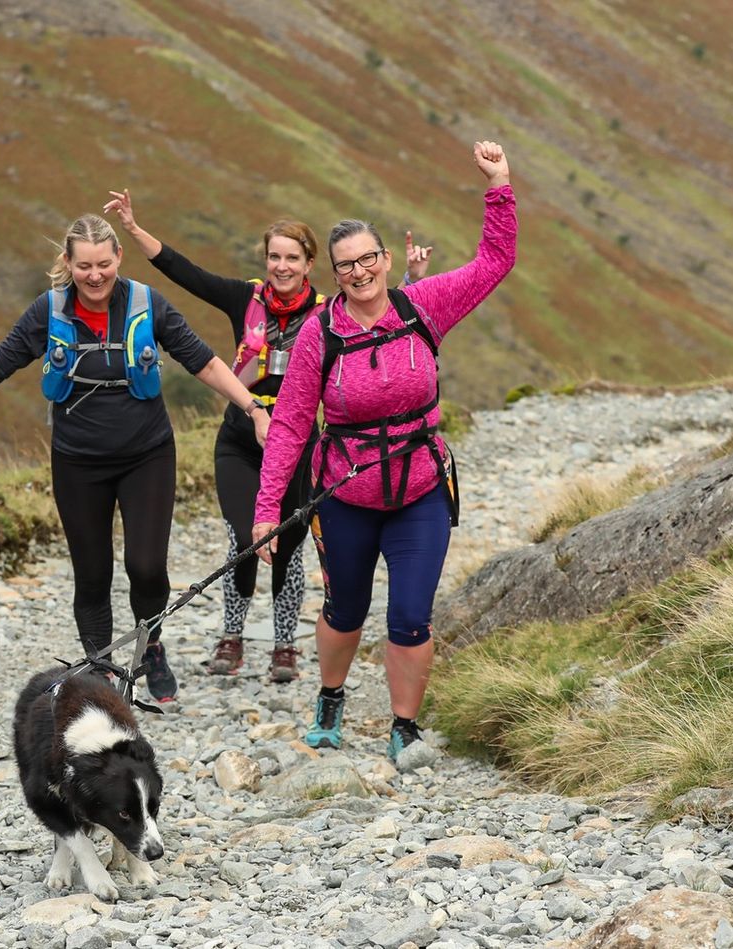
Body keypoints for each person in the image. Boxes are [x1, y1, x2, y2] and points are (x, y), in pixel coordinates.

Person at [0, 213, 269, 704]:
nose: (95, 275)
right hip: (77, 460)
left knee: (147, 566)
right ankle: (101, 666)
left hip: (147, 454)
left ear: (117, 258)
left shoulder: (149, 304)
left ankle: (150, 646)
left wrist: (253, 408)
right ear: (68, 263)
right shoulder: (50, 310)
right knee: (92, 572)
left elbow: (204, 362)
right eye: (84, 266)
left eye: (103, 264)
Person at [101, 191, 435, 683]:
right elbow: (184, 272)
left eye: (291, 258)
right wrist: (132, 228)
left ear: (309, 264)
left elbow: (386, 316)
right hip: (240, 434)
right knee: (244, 537)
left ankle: (284, 646)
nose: (281, 266)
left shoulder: (330, 312)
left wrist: (411, 278)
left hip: (302, 443)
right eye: (274, 256)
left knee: (292, 541)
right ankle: (231, 638)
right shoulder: (246, 298)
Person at [253, 141, 516, 761]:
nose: (359, 272)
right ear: (334, 274)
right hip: (344, 493)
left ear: (385, 258)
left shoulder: (423, 306)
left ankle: (404, 727)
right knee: (345, 608)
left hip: (420, 487)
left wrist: (498, 184)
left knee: (410, 614)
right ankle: (331, 696)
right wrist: (267, 512)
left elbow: (495, 261)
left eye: (367, 259)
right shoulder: (321, 334)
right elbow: (290, 425)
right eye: (345, 266)